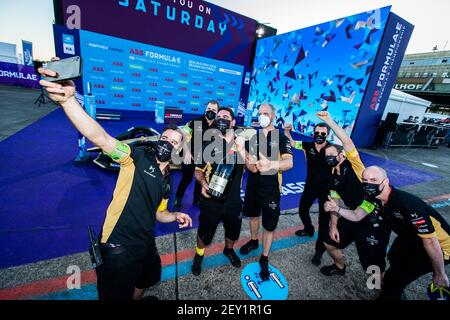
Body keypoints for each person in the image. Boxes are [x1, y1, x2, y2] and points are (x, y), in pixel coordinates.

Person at [38, 62, 192, 300]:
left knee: (148, 279)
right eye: (164, 138)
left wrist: (173, 215)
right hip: (118, 247)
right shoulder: (136, 157)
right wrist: (68, 101)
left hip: (146, 243)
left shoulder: (168, 179)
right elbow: (101, 138)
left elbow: (158, 213)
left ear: (179, 151)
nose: (166, 143)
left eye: (173, 142)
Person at [324, 166, 450, 300]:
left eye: (373, 180)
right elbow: (357, 215)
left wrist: (440, 274)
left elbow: (430, 241)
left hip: (441, 247)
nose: (368, 184)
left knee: (392, 280)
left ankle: (392, 292)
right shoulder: (373, 199)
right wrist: (336, 208)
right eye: (365, 180)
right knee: (393, 256)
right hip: (411, 238)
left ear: (385, 182)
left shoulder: (408, 205)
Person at [317, 111, 389, 277]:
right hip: (351, 215)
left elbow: (347, 141)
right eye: (326, 156)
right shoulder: (332, 176)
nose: (328, 158)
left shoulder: (355, 166)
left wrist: (329, 121)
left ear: (341, 155)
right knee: (329, 243)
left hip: (372, 219)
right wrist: (334, 225)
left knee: (373, 266)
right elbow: (334, 202)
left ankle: (383, 288)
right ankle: (340, 267)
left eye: (332, 155)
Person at [191, 107, 249, 275]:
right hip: (211, 199)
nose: (221, 119)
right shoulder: (208, 144)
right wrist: (203, 183)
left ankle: (229, 250)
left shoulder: (242, 143)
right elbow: (198, 170)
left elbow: (252, 168)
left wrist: (242, 149)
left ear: (233, 122)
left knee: (233, 232)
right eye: (219, 117)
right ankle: (199, 254)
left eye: (225, 117)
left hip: (234, 201)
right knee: (204, 233)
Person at [239, 103, 294, 280]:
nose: (262, 116)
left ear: (273, 115)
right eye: (260, 113)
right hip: (253, 186)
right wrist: (245, 156)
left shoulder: (280, 137)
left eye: (265, 113)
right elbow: (251, 168)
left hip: (271, 189)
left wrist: (272, 164)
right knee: (253, 216)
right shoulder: (252, 137)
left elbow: (289, 163)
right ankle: (254, 241)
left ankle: (264, 257)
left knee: (269, 226)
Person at [284, 121, 332, 266]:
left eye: (323, 134)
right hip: (310, 186)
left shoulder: (332, 149)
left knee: (324, 222)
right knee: (302, 210)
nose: (319, 136)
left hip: (326, 190)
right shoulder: (307, 145)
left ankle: (319, 251)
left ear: (327, 134)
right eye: (317, 133)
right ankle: (309, 229)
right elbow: (293, 144)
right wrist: (287, 132)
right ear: (313, 133)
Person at [174, 101, 220, 209]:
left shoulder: (218, 126)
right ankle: (178, 198)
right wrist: (187, 153)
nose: (210, 111)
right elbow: (182, 136)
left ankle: (197, 199)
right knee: (187, 178)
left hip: (205, 160)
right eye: (209, 108)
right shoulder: (194, 122)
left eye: (213, 110)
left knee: (200, 180)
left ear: (217, 112)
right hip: (190, 156)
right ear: (205, 109)